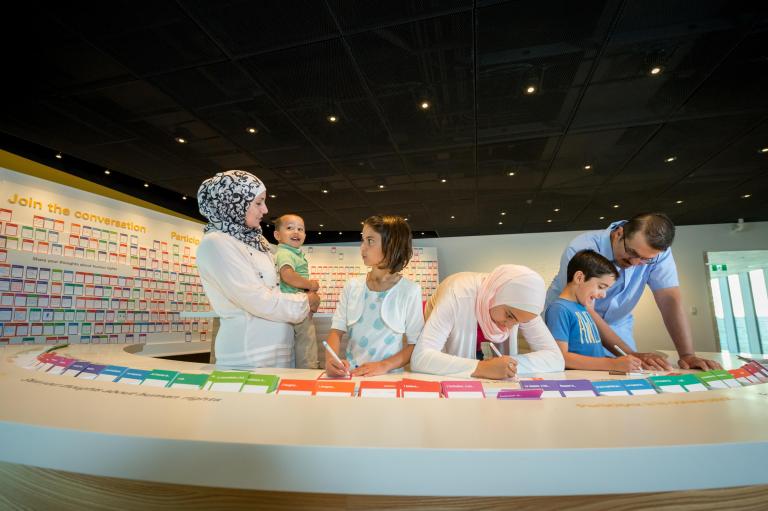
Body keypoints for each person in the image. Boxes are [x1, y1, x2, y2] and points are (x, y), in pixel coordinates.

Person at [545, 212, 721, 371]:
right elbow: (585, 310)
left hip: (617, 323)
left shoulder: (658, 254)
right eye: (632, 252)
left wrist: (687, 355)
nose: (635, 263)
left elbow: (669, 301)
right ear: (619, 233)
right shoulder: (582, 248)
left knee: (630, 373)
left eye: (646, 259)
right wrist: (628, 354)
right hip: (577, 318)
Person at [196, 170, 320, 368]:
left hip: (280, 351)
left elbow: (276, 287)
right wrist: (305, 301)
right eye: (258, 202)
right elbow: (256, 299)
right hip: (248, 356)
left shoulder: (258, 241)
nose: (265, 210)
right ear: (234, 203)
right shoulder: (216, 243)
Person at [411, 265, 564, 380]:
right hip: (429, 333)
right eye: (509, 316)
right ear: (494, 296)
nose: (510, 327)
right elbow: (421, 358)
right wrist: (482, 368)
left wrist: (507, 366)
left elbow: (556, 359)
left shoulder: (522, 305)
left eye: (519, 322)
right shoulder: (458, 294)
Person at [324, 215, 424, 377]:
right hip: (352, 376)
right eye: (362, 240)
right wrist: (331, 360)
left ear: (392, 244)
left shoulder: (410, 291)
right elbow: (336, 331)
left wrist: (384, 365)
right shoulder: (352, 286)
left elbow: (415, 344)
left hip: (389, 379)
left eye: (370, 241)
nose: (362, 247)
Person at [545, 249, 642, 372]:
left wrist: (621, 363)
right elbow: (561, 357)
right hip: (578, 382)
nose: (603, 295)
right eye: (601, 287)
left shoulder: (583, 308)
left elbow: (593, 355)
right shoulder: (559, 309)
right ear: (579, 277)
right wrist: (612, 364)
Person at [273, 213, 320, 369]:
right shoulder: (285, 253)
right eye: (290, 228)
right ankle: (309, 370)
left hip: (296, 304)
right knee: (307, 341)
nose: (296, 232)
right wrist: (310, 285)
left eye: (300, 229)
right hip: (294, 304)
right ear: (277, 235)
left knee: (299, 342)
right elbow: (287, 275)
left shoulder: (294, 253)